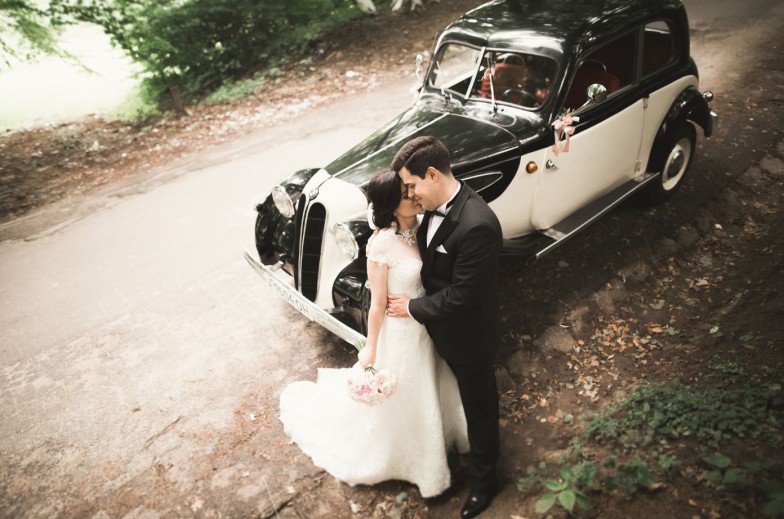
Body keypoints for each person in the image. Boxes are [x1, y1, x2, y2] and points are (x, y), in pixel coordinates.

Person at [278, 168, 469, 499]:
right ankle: (425, 467)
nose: (413, 196)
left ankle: (451, 436)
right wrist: (371, 348)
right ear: (390, 205)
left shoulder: (425, 227)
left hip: (429, 322)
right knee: (409, 392)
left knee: (438, 379)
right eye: (405, 194)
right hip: (402, 333)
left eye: (412, 190)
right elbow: (378, 304)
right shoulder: (380, 245)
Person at [387, 136, 503, 519]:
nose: (410, 195)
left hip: (468, 338)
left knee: (480, 407)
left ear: (432, 174)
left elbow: (463, 296)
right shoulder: (430, 208)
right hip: (434, 335)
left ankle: (485, 483)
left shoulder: (478, 224)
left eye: (412, 186)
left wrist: (413, 307)